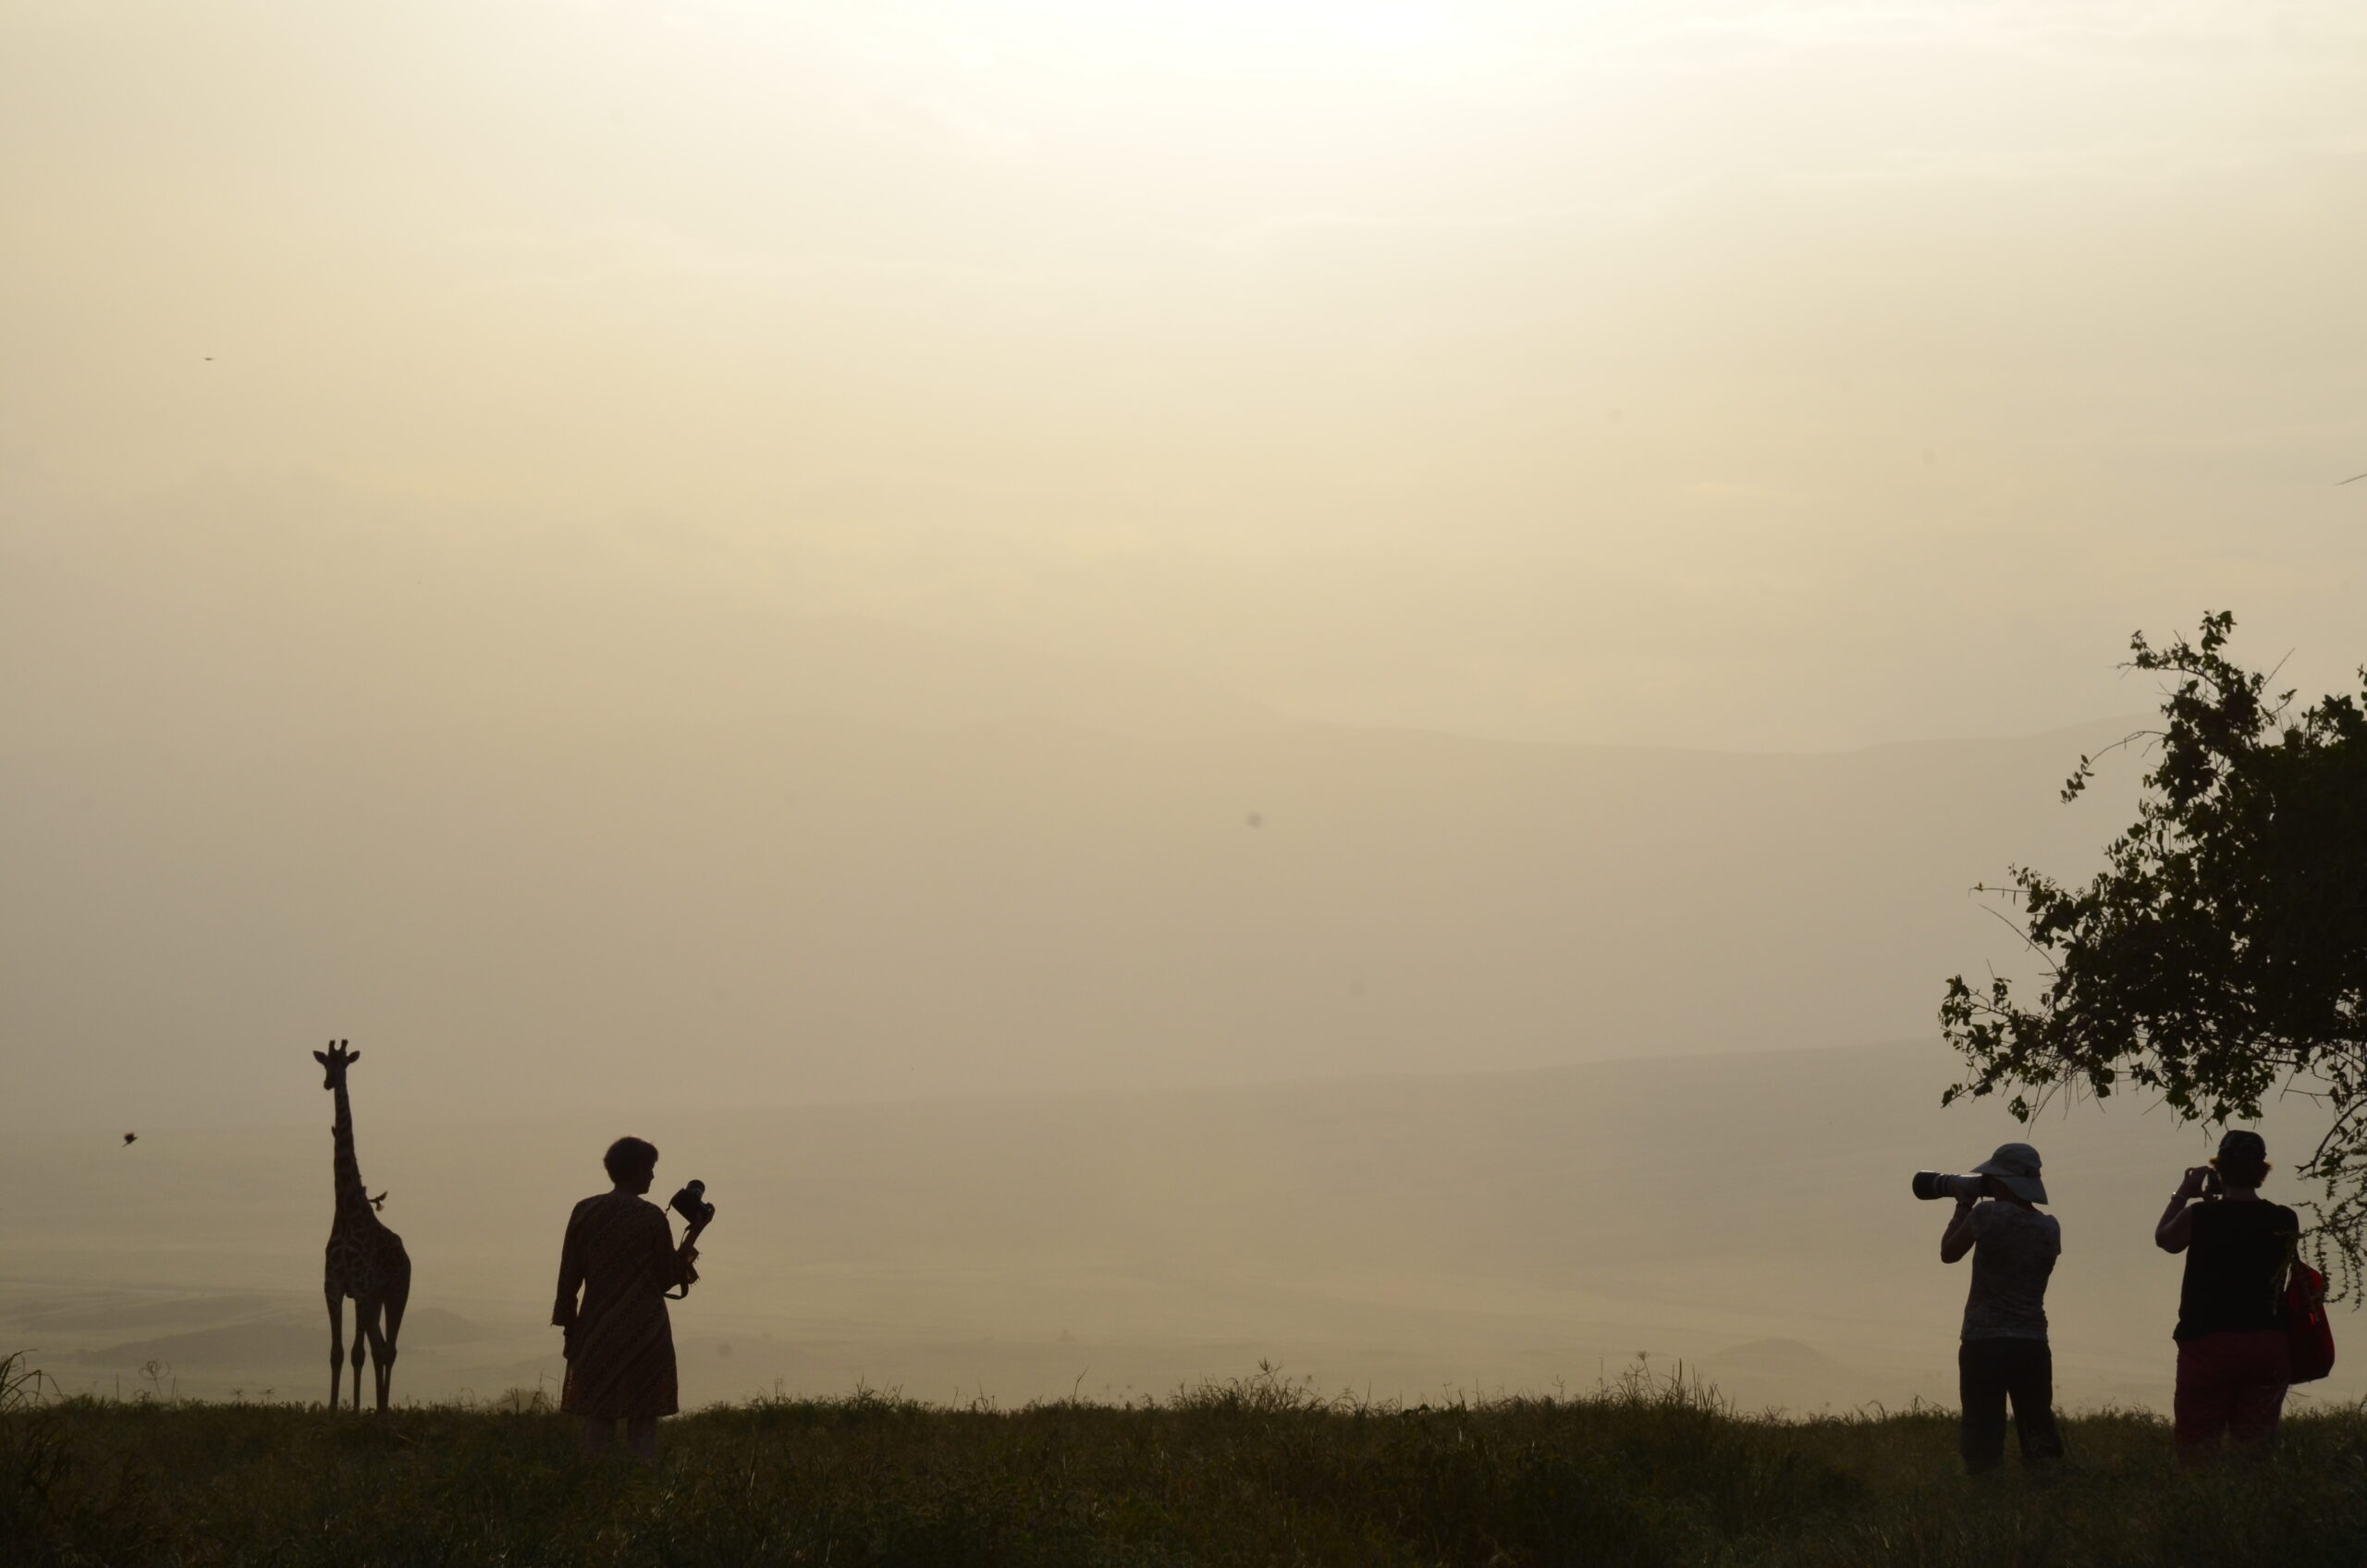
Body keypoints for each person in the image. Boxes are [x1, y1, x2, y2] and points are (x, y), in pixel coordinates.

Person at [2155, 1129, 2300, 1458]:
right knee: (2257, 1448)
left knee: (2197, 1446)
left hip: (2209, 1342)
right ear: (2262, 1171)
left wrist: (2183, 1193)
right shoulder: (2285, 1218)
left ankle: (2202, 1507)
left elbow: (2166, 1240)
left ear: (2219, 1168)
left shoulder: (2201, 1215)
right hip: (2269, 1340)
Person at [552, 1136, 699, 1457]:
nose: (652, 1176)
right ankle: (639, 1489)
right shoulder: (651, 1217)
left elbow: (568, 1278)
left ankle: (597, 1486)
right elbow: (665, 1279)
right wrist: (694, 1238)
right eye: (649, 1168)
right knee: (643, 1417)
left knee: (598, 1416)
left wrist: (570, 1330)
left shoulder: (585, 1210)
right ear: (636, 1169)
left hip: (596, 1328)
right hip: (645, 1330)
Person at [1940, 1141, 2064, 1475]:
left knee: (1982, 1427)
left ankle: (1987, 1492)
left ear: (2003, 1181)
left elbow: (1949, 1252)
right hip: (2032, 1341)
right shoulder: (2050, 1227)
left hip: (1985, 1340)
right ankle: (2046, 1487)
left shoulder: (1987, 1214)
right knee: (2037, 1424)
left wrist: (1963, 1205)